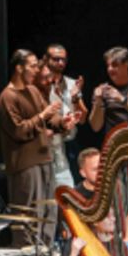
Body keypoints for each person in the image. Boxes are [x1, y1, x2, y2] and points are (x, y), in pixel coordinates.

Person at [0, 49, 63, 247]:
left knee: (48, 212)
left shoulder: (33, 91)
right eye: (33, 66)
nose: (37, 70)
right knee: (28, 215)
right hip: (25, 165)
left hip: (44, 159)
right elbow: (19, 130)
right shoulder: (7, 97)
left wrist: (64, 122)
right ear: (19, 68)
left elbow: (50, 118)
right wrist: (43, 116)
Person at [44, 44, 86, 189]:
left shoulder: (71, 83)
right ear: (46, 59)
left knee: (70, 191)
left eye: (64, 59)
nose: (61, 63)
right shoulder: (40, 85)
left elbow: (84, 117)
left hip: (68, 145)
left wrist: (75, 98)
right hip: (45, 144)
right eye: (56, 59)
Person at [88, 46, 128, 134]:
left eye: (114, 65)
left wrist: (122, 99)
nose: (110, 69)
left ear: (126, 64)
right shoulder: (103, 90)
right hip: (114, 143)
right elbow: (95, 127)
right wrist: (98, 101)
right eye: (108, 65)